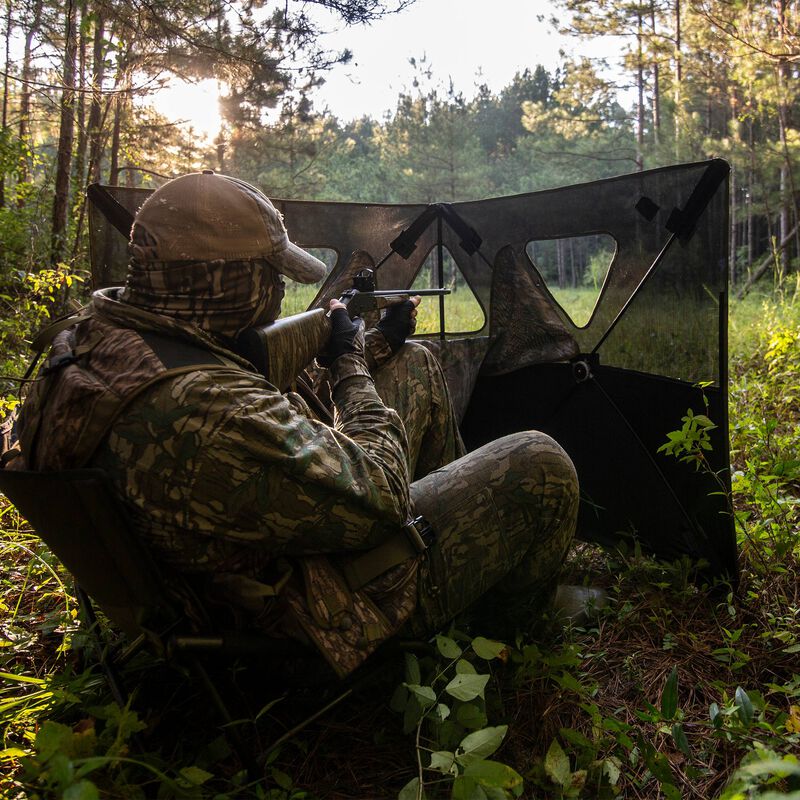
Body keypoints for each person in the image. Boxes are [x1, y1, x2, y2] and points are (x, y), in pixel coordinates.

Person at [10, 171, 579, 678]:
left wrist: (373, 345)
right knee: (540, 461)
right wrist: (350, 363)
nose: (280, 292)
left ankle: (465, 550)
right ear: (227, 283)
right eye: (270, 278)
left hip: (227, 557)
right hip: (304, 607)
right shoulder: (203, 411)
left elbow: (273, 403)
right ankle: (501, 639)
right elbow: (380, 494)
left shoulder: (101, 343)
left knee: (414, 363)